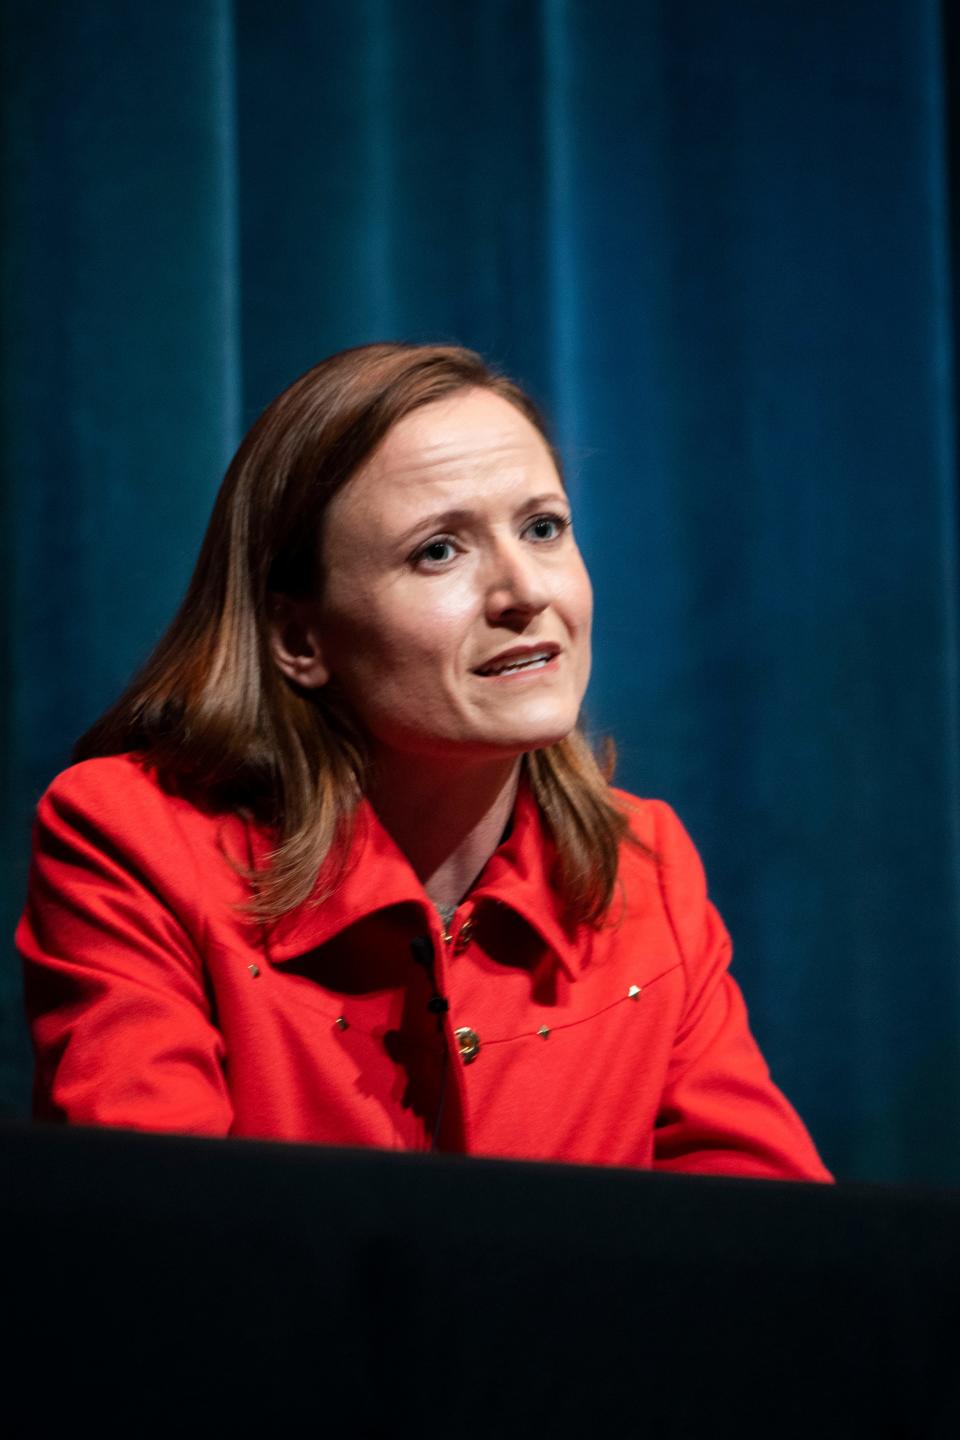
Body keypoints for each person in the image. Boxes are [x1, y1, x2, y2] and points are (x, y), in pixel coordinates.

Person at [17, 342, 830, 1180]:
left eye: (542, 528)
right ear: (300, 638)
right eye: (439, 550)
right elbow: (159, 1251)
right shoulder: (133, 840)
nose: (525, 592)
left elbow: (777, 1262)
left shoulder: (646, 872)